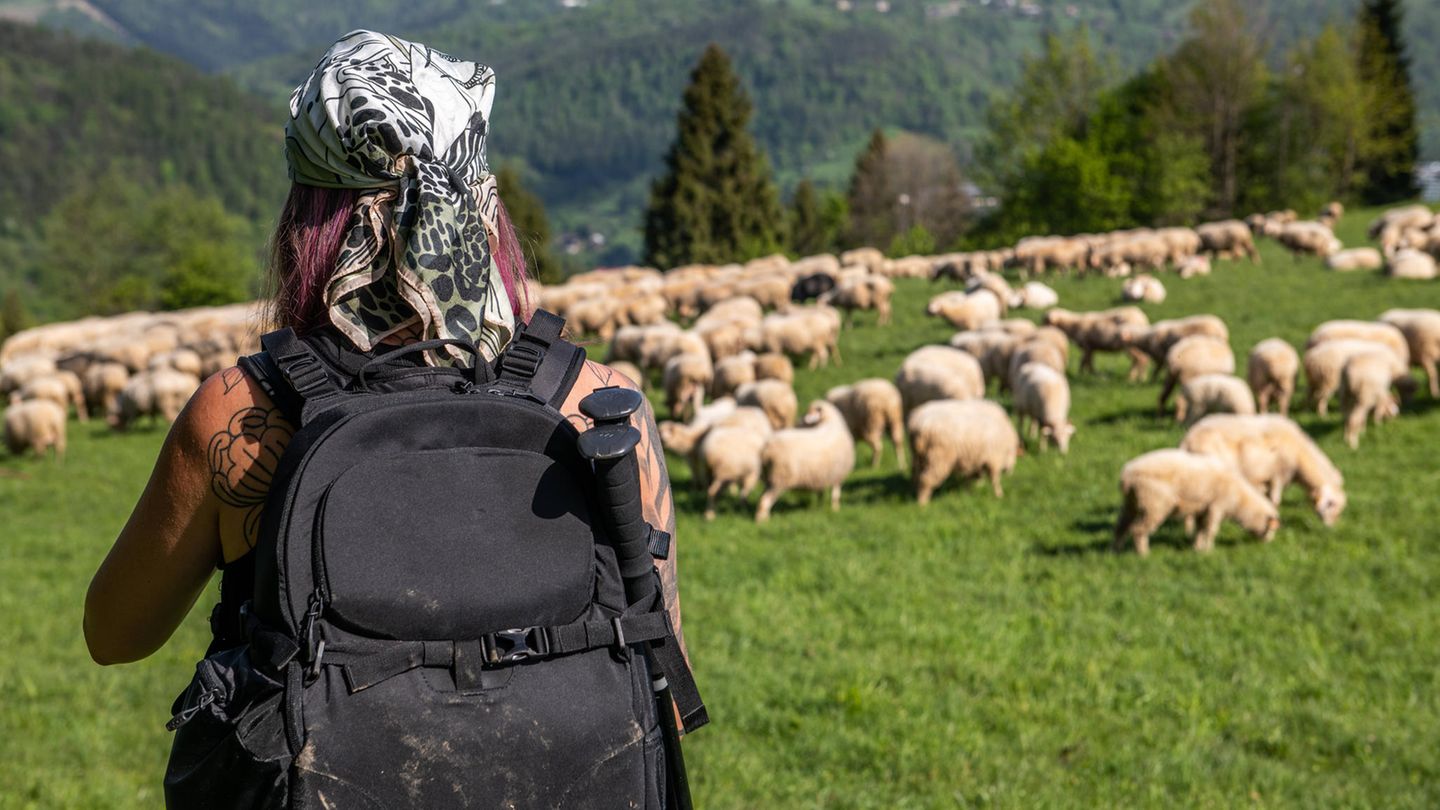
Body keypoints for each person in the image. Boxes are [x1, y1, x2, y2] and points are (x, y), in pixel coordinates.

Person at [83, 29, 687, 800]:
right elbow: (661, 672)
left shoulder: (241, 416)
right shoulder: (600, 404)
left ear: (310, 215)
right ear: (479, 196)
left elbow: (114, 634)